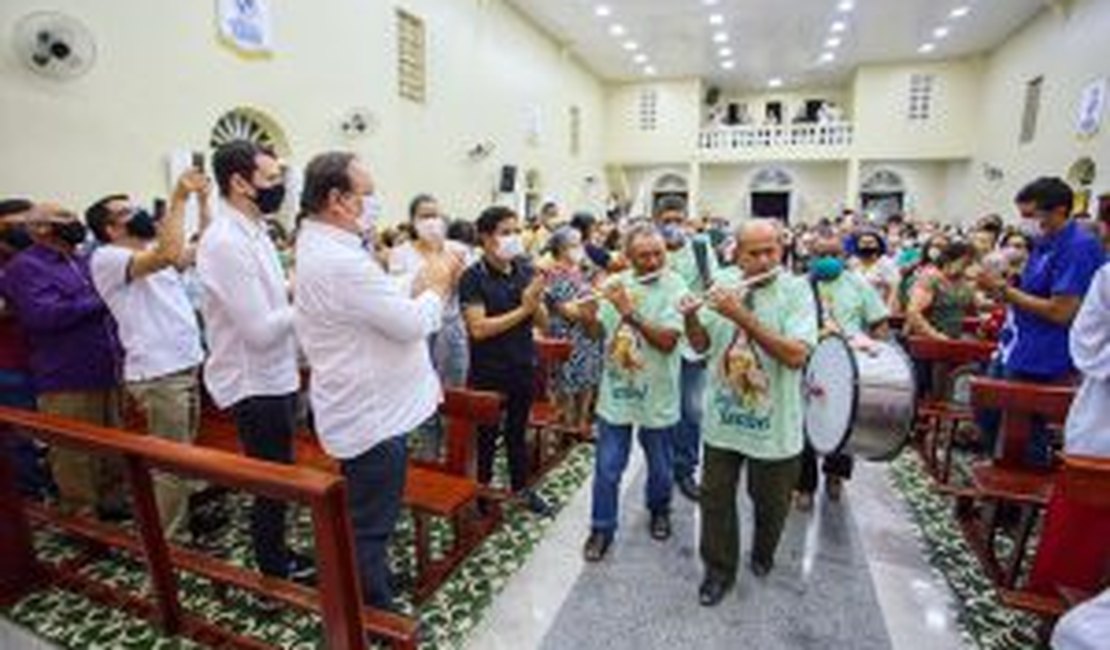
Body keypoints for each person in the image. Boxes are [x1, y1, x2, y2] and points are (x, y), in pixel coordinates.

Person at [293, 152, 457, 609]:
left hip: (363, 404)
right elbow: (408, 324)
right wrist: (437, 288)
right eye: (367, 193)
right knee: (371, 521)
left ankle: (373, 579)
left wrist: (411, 285)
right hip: (372, 416)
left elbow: (371, 302)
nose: (374, 202)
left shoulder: (327, 245)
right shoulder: (337, 259)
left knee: (368, 509)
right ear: (337, 200)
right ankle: (373, 609)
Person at [682, 219, 818, 606]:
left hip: (776, 426)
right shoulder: (722, 283)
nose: (762, 260)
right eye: (753, 253)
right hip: (723, 422)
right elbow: (701, 343)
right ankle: (718, 570)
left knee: (772, 504)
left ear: (782, 250)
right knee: (715, 500)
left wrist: (740, 316)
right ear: (735, 254)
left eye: (770, 251)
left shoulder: (796, 291)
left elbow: (795, 356)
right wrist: (691, 316)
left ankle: (763, 551)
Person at [196, 139, 312, 584]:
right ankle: (273, 572)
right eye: (270, 179)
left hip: (276, 374)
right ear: (239, 182)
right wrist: (311, 299)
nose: (279, 186)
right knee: (271, 485)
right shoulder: (225, 241)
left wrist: (295, 285)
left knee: (279, 477)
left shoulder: (256, 230)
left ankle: (278, 551)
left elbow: (271, 297)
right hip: (253, 380)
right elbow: (260, 331)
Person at [86, 173, 217, 539]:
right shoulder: (108, 259)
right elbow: (171, 253)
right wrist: (177, 197)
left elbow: (200, 249)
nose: (139, 212)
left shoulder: (144, 254)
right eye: (127, 212)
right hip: (159, 373)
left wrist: (203, 202)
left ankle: (185, 518)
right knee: (170, 463)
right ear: (111, 230)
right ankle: (170, 540)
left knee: (184, 455)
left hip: (183, 364)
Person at [0, 205, 126, 519]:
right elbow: (42, 315)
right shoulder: (25, 267)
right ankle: (83, 520)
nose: (75, 223)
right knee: (74, 454)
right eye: (65, 219)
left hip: (107, 366)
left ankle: (112, 504)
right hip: (66, 374)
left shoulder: (81, 260)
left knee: (113, 446)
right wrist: (102, 300)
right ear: (41, 229)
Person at [975, 178, 1104, 467]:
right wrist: (1007, 284)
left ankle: (1020, 492)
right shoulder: (1044, 242)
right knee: (989, 412)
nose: (1025, 224)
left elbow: (1063, 311)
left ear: (1059, 211)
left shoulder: (1078, 247)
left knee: (1024, 432)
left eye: (1031, 215)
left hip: (1045, 356)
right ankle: (1002, 468)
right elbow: (1034, 289)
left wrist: (1005, 291)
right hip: (1017, 344)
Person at [580, 223, 686, 561]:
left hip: (658, 394)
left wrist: (631, 313)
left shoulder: (676, 286)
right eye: (644, 257)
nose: (654, 262)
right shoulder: (615, 285)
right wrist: (587, 318)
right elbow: (599, 334)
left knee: (660, 467)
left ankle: (659, 509)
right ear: (627, 258)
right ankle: (601, 527)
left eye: (659, 254)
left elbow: (668, 342)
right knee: (608, 467)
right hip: (617, 393)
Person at [1021, 261, 1110, 600]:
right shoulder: (1107, 278)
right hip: (1103, 426)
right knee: (1080, 544)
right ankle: (1054, 612)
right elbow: (1087, 345)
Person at [459, 205, 552, 515]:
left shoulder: (525, 270)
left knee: (516, 432)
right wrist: (524, 309)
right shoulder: (473, 278)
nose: (513, 238)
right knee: (485, 436)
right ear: (486, 238)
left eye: (516, 231)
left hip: (522, 364)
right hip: (488, 370)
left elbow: (544, 324)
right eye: (505, 232)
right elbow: (478, 328)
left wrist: (535, 301)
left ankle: (522, 489)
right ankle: (483, 494)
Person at [797, 227, 889, 508]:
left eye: (834, 254)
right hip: (807, 363)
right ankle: (804, 486)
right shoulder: (799, 285)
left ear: (845, 255)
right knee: (805, 423)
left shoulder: (858, 284)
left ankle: (835, 474)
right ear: (809, 257)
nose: (828, 259)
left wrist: (872, 351)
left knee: (843, 421)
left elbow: (879, 323)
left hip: (847, 366)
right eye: (820, 254)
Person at [655, 196, 717, 502]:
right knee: (660, 408)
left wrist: (703, 333)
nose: (672, 226)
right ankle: (660, 468)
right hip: (658, 339)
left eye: (677, 220)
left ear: (686, 220)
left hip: (692, 341)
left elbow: (712, 288)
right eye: (666, 221)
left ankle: (685, 469)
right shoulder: (652, 250)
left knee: (691, 410)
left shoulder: (701, 249)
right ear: (657, 221)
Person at [0, 199, 51, 500]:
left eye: (28, 224)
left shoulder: (41, 261)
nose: (24, 231)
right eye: (14, 225)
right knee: (19, 436)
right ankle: (30, 500)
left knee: (55, 433)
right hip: (8, 363)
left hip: (43, 359)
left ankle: (51, 487)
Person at [543, 226, 603, 433]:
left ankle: (582, 422)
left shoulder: (581, 271)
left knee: (588, 378)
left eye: (580, 244)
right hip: (567, 334)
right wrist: (593, 307)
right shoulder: (555, 275)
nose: (580, 249)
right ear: (561, 248)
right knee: (567, 383)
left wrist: (593, 306)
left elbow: (593, 297)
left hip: (588, 334)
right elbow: (568, 310)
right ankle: (567, 426)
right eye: (574, 245)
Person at [904, 241, 977, 340]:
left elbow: (973, 306)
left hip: (951, 339)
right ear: (949, 261)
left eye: (970, 263)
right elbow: (913, 312)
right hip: (925, 342)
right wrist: (936, 336)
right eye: (965, 263)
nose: (968, 268)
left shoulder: (963, 282)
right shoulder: (931, 278)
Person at [850, 229, 900, 309]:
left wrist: (888, 308)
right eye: (863, 242)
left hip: (880, 308)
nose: (867, 245)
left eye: (870, 242)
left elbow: (894, 288)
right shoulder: (852, 262)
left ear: (878, 245)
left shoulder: (887, 264)